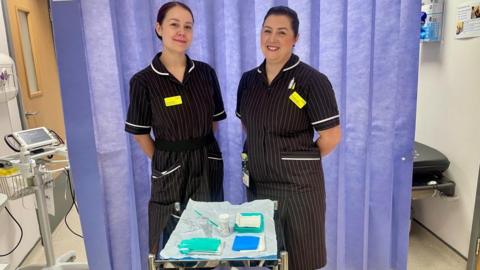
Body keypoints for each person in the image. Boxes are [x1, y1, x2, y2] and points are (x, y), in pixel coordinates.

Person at [235, 6, 341, 269]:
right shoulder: (248, 81)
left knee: (299, 259)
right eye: (267, 31)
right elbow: (247, 126)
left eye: (282, 32)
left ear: (295, 38)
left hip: (298, 189)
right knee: (266, 257)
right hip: (258, 185)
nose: (272, 39)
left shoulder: (312, 81)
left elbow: (331, 136)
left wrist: (297, 159)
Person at [124, 1, 226, 254]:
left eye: (188, 26)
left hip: (207, 159)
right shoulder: (143, 81)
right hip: (169, 165)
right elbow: (139, 132)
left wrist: (196, 148)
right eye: (174, 24)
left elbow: (214, 121)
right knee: (173, 240)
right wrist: (165, 158)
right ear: (159, 28)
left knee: (208, 236)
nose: (182, 32)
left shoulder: (205, 73)